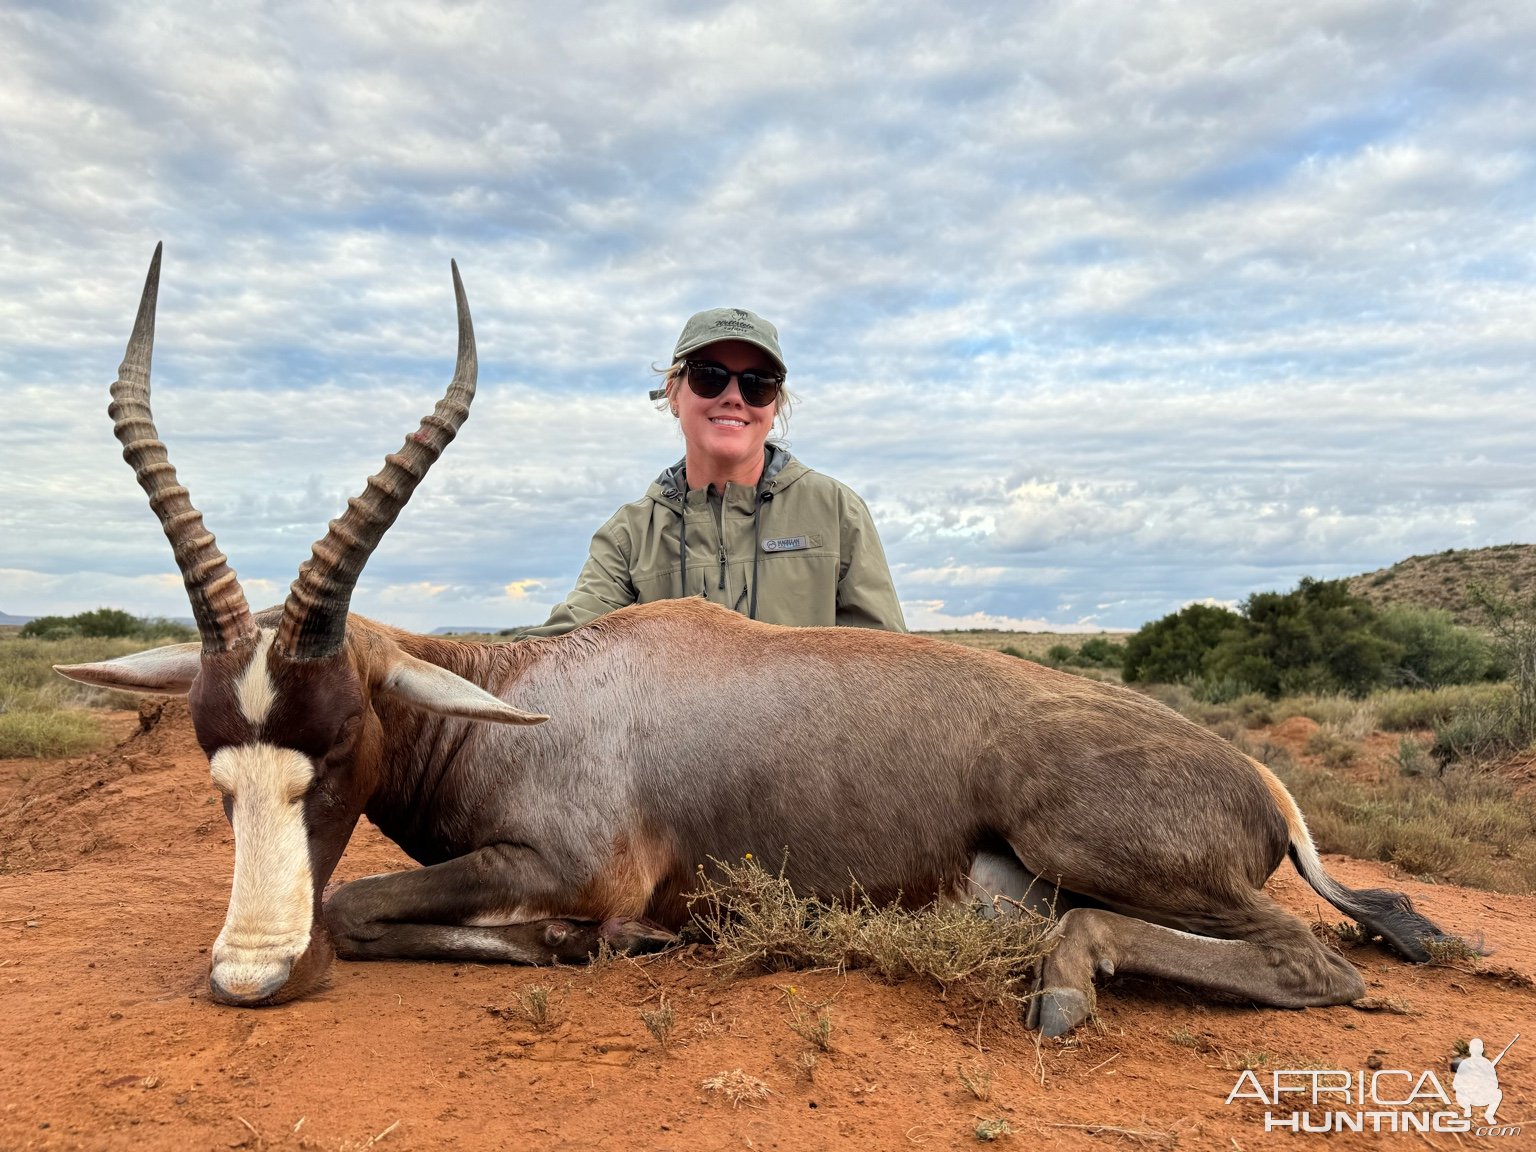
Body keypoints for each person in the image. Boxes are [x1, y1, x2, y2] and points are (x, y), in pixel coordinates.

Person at [521, 307, 905, 636]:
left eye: (758, 384)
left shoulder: (837, 511)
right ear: (673, 392)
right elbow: (562, 646)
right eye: (709, 376)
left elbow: (888, 666)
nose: (734, 397)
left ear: (775, 407)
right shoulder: (630, 535)